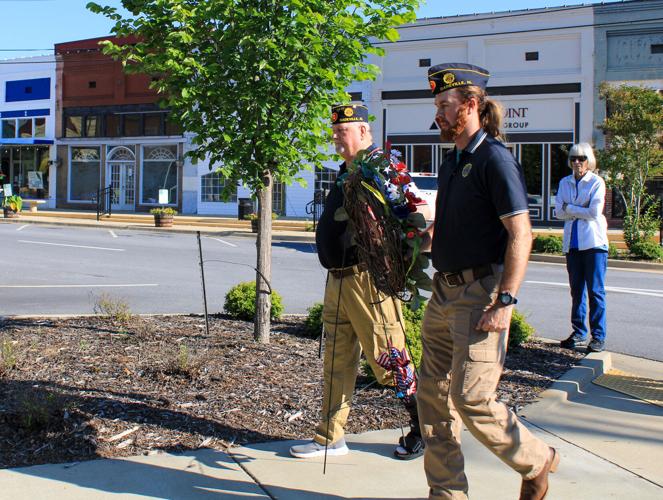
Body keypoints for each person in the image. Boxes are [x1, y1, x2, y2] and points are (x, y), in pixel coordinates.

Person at [417, 63, 559, 500]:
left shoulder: (494, 158)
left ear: (471, 105)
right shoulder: (453, 161)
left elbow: (521, 232)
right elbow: (447, 229)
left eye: (446, 105)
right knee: (433, 400)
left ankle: (536, 460)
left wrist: (506, 300)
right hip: (443, 292)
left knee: (472, 399)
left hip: (480, 295)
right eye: (437, 106)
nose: (438, 114)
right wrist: (410, 239)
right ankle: (446, 494)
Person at [289, 104, 429, 460]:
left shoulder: (380, 167)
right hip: (337, 280)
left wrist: (404, 250)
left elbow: (416, 209)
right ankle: (330, 438)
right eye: (335, 131)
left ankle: (425, 429)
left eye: (344, 131)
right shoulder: (346, 171)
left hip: (367, 282)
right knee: (337, 360)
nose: (337, 137)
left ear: (364, 132)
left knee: (390, 358)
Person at [555, 143, 608, 353]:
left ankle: (598, 336)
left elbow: (595, 212)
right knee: (577, 291)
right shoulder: (564, 182)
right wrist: (579, 209)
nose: (577, 162)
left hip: (594, 244)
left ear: (589, 160)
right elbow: (559, 212)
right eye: (573, 158)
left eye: (581, 158)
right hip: (573, 244)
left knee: (595, 291)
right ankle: (578, 333)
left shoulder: (596, 182)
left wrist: (571, 208)